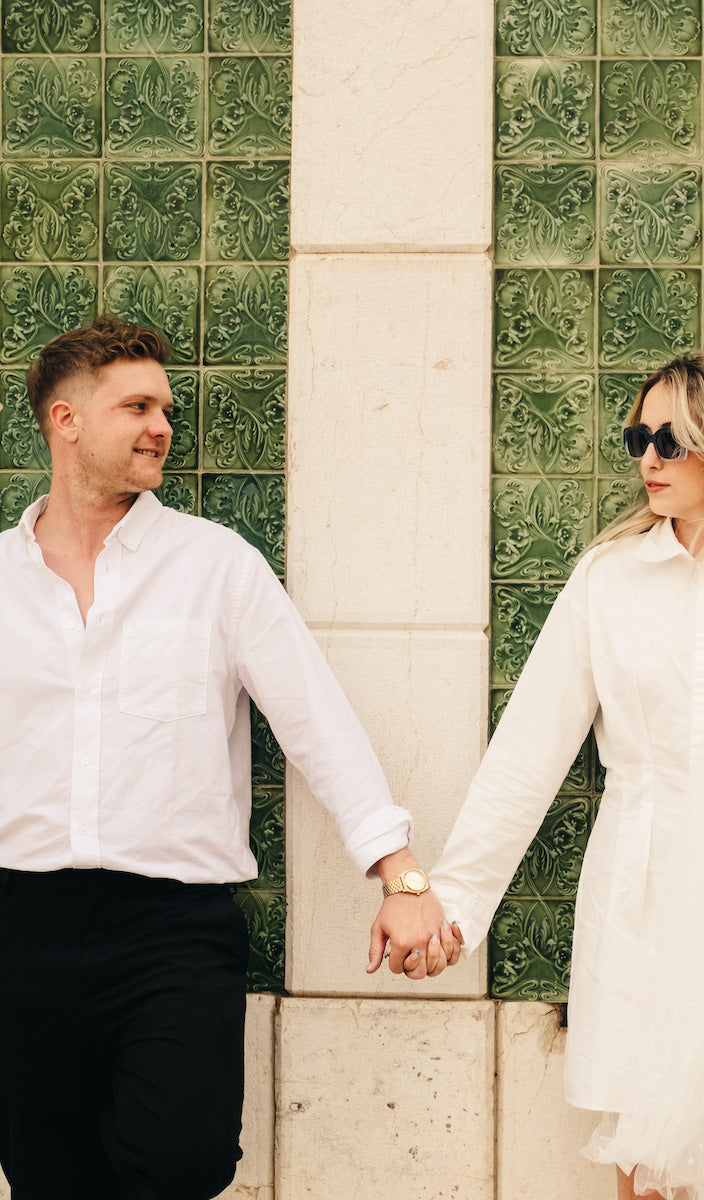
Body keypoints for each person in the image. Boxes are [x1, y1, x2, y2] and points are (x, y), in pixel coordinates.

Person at [0, 315, 460, 1200]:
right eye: (136, 406)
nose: (161, 426)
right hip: (23, 920)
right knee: (48, 1175)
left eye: (165, 407)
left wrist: (402, 878)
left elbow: (317, 724)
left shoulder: (217, 568)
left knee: (185, 1157)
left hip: (173, 929)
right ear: (65, 420)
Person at [425, 352, 704, 1200]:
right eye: (638, 436)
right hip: (644, 900)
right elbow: (528, 753)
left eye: (670, 438)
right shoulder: (609, 581)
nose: (648, 459)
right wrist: (453, 901)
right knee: (651, 1175)